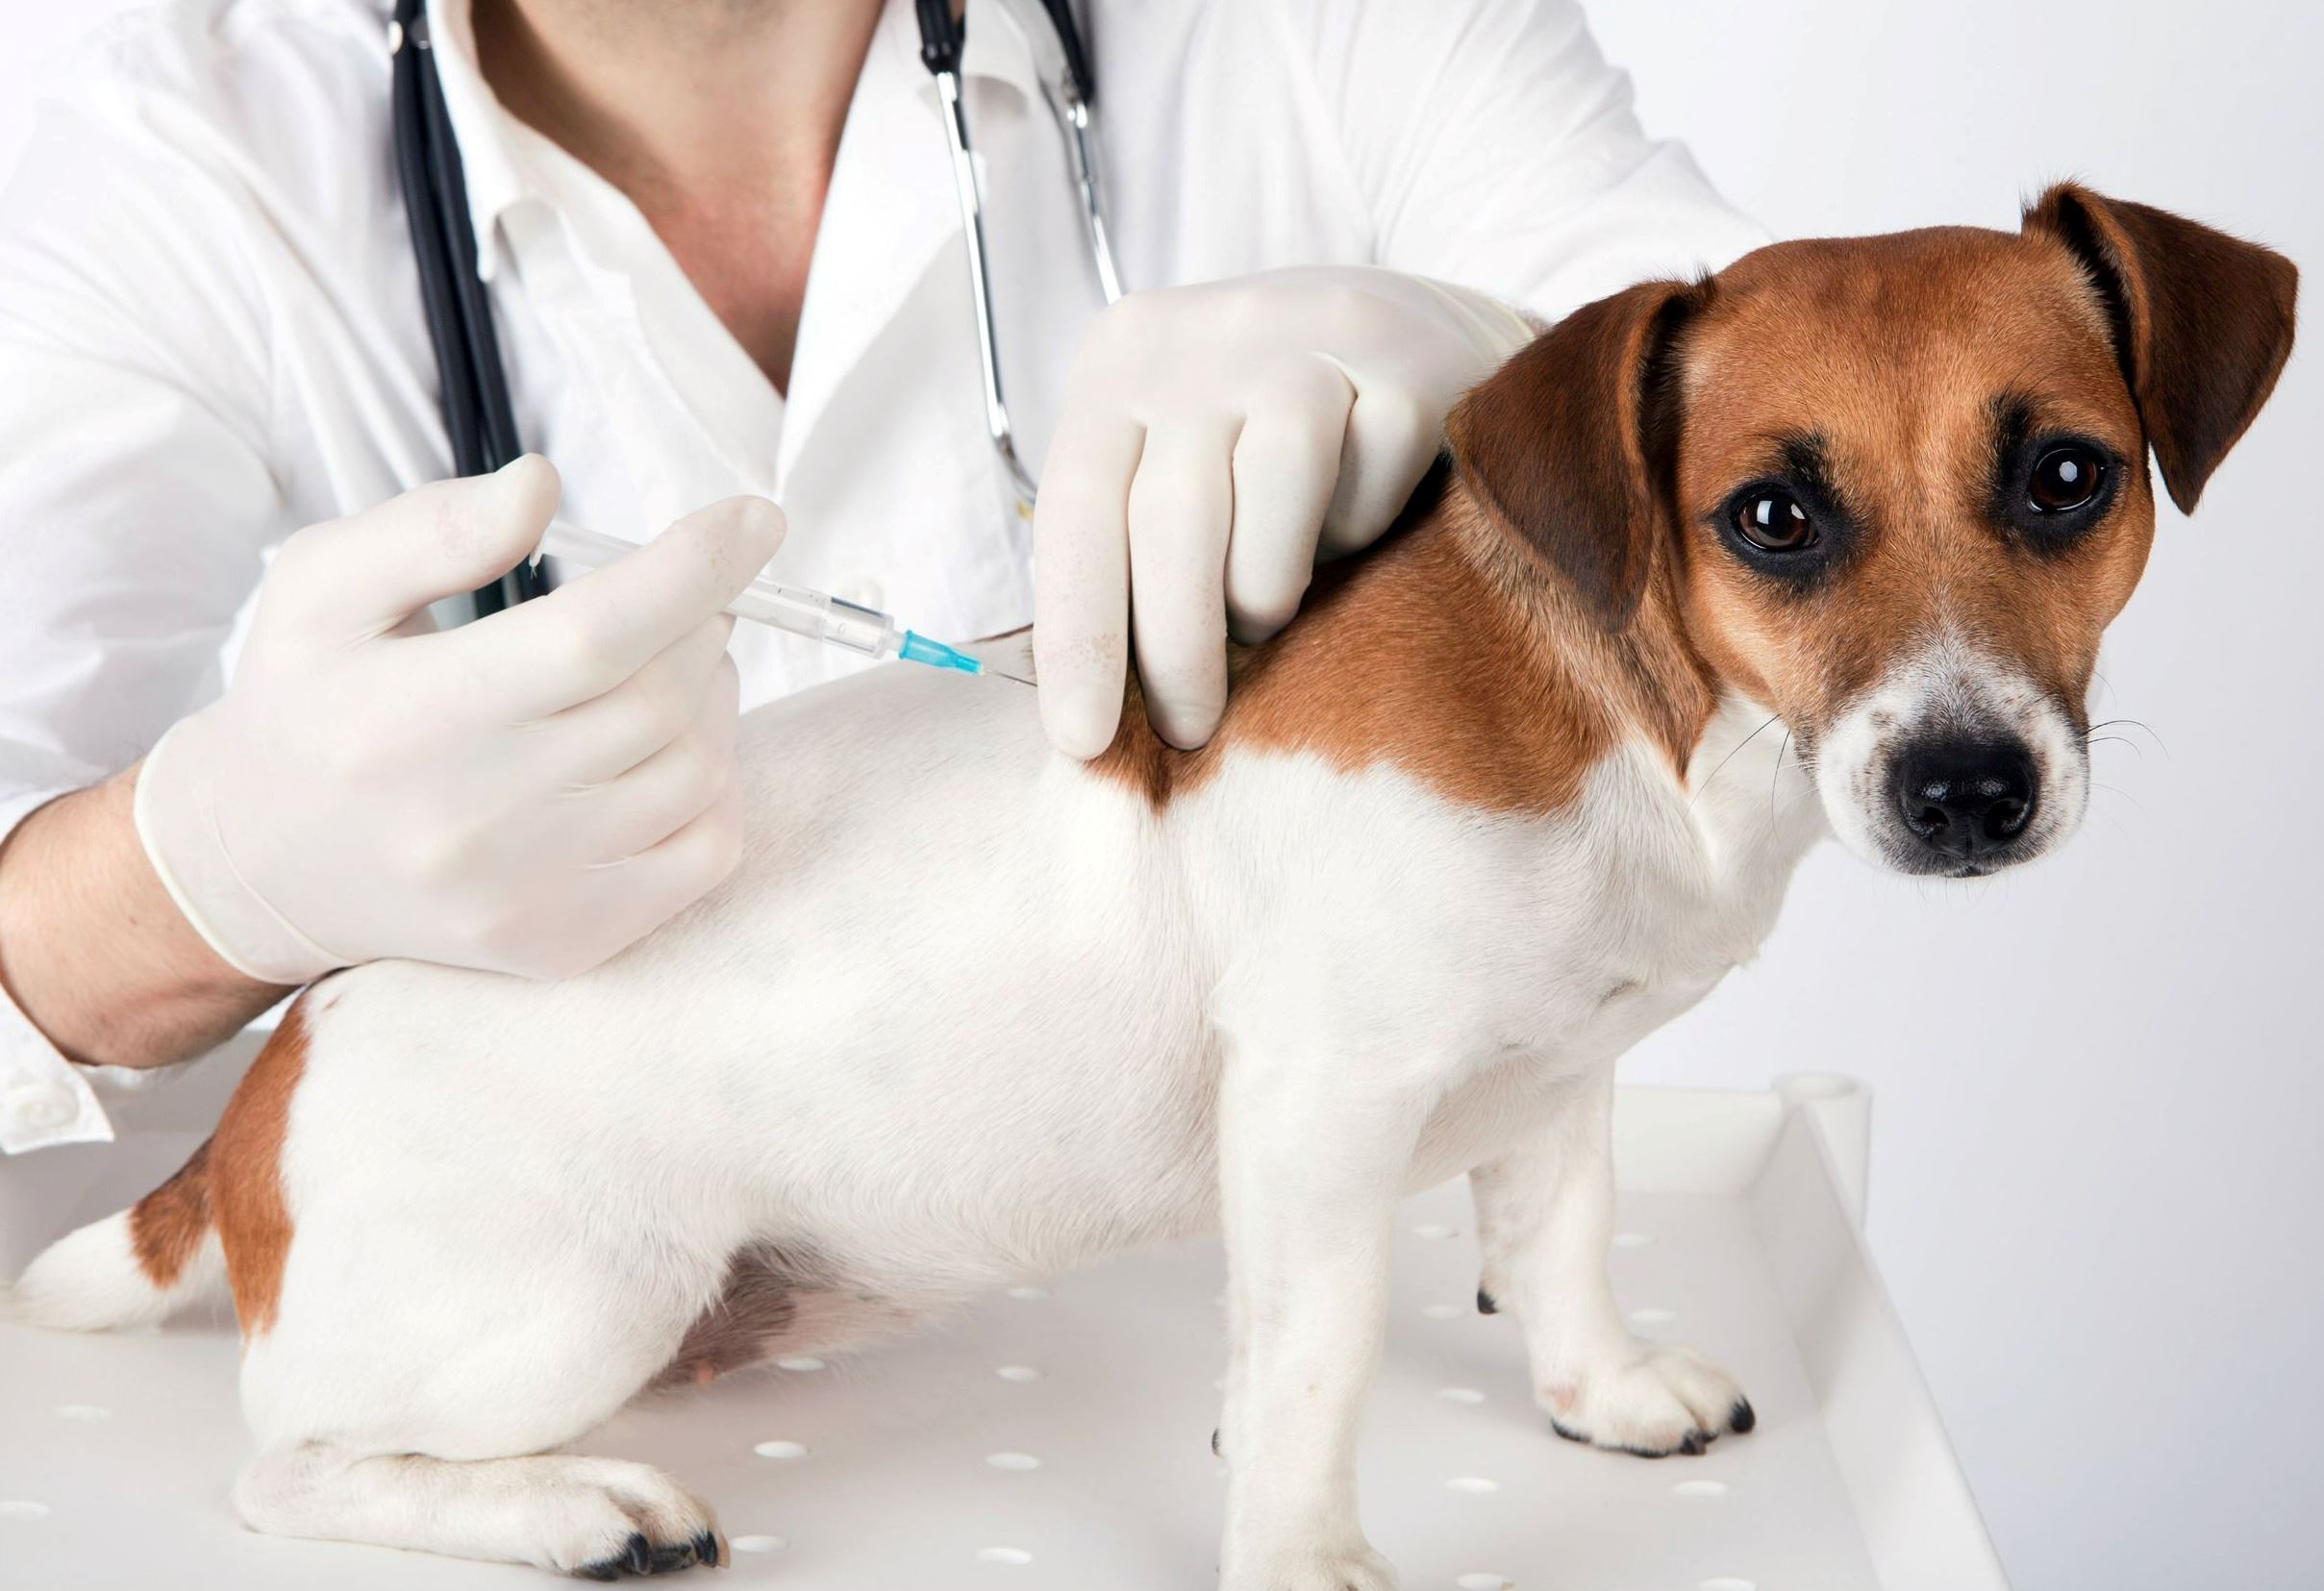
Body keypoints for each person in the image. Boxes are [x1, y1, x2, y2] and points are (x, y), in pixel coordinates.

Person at [0, 0, 1762, 1155]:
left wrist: (1515, 366)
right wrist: (196, 882)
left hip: (1303, 1256)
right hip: (575, 1340)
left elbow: (1835, 419)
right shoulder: (163, 150)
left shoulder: (1322, 30)